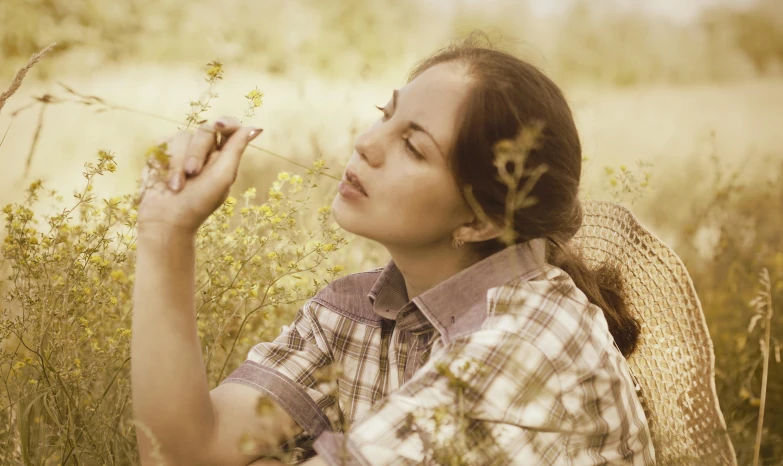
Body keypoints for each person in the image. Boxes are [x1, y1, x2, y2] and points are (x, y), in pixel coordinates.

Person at [131, 38, 656, 466]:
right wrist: (165, 234)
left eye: (413, 146)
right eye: (386, 113)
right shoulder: (352, 314)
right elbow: (182, 453)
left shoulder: (530, 340)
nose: (366, 143)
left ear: (481, 219)